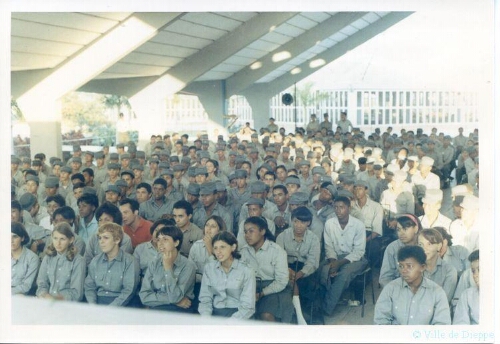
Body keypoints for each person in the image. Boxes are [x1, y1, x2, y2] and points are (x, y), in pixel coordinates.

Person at [374, 245, 451, 325]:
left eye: (409, 266)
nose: (404, 271)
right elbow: (381, 321)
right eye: (401, 266)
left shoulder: (437, 292)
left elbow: (442, 325)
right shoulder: (390, 289)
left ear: (422, 267)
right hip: (396, 336)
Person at [321, 195, 368, 316]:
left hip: (355, 259)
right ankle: (319, 302)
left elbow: (359, 251)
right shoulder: (329, 223)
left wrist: (339, 264)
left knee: (344, 274)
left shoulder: (358, 225)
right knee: (322, 270)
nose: (338, 210)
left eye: (341, 207)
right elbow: (329, 246)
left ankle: (326, 309)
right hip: (335, 257)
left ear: (349, 208)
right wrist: (333, 262)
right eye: (335, 207)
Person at [239, 216, 293, 323]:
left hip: (273, 289)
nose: (247, 235)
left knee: (266, 316)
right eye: (245, 232)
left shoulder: (277, 251)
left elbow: (281, 281)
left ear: (262, 231)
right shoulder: (243, 252)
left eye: (251, 231)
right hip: (251, 288)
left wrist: (262, 293)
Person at [276, 207, 320, 325]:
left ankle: (304, 314)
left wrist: (300, 274)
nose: (298, 225)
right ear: (291, 221)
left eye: (302, 222)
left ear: (308, 223)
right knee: (284, 286)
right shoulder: (282, 236)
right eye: (295, 221)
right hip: (286, 267)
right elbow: (278, 258)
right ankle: (290, 314)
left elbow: (313, 262)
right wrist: (288, 271)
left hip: (304, 270)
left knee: (309, 285)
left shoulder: (313, 239)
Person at [198, 231, 256, 319]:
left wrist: (229, 323)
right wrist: (207, 318)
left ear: (233, 247)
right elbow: (205, 299)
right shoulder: (209, 268)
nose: (218, 252)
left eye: (222, 247)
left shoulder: (246, 270)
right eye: (215, 248)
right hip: (215, 311)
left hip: (239, 314)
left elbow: (248, 307)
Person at [139, 224, 197, 312]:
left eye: (165, 239)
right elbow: (144, 296)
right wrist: (174, 301)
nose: (160, 243)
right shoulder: (154, 262)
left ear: (176, 242)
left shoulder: (188, 266)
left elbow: (176, 296)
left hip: (179, 310)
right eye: (158, 240)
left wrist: (168, 268)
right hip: (157, 307)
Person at [84, 222, 139, 306]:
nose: (101, 242)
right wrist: (93, 305)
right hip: (98, 302)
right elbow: (89, 287)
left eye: (106, 238)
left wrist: (111, 308)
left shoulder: (130, 261)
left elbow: (129, 290)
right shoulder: (95, 261)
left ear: (117, 240)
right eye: (99, 238)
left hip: (122, 304)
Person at [36, 222, 86, 301]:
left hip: (66, 304)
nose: (58, 243)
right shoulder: (48, 258)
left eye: (62, 239)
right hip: (47, 300)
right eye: (55, 238)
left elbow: (76, 293)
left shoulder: (78, 261)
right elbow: (42, 284)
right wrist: (45, 296)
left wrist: (55, 299)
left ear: (71, 240)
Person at [379, 214, 422, 288]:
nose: (401, 233)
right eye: (398, 229)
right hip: (399, 289)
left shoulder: (424, 246)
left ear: (416, 228)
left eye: (405, 229)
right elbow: (384, 278)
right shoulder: (392, 248)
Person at [417, 228, 457, 302]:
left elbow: (443, 301)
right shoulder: (414, 268)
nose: (424, 248)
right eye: (420, 244)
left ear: (439, 246)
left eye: (429, 244)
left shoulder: (449, 271)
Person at [11, 222, 40, 295]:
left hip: (19, 295)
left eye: (15, 237)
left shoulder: (32, 258)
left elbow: (26, 286)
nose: (11, 241)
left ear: (22, 238)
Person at [453, 250, 479, 325]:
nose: (475, 275)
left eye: (479, 270)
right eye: (473, 271)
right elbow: (460, 323)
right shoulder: (467, 295)